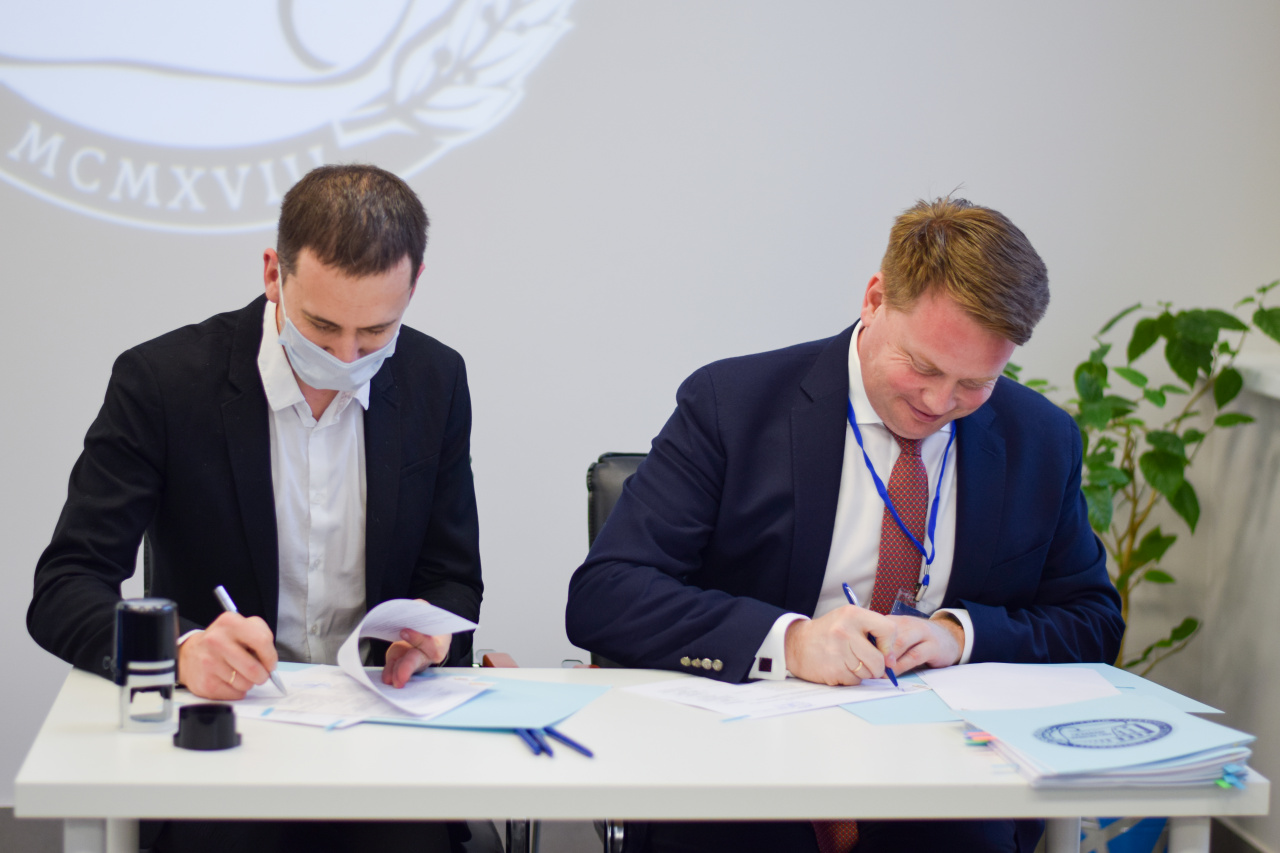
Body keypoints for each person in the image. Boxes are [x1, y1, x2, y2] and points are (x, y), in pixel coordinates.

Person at [565, 197, 1124, 853]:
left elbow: (1092, 618)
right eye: (923, 366)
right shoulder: (732, 405)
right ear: (875, 299)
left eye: (974, 383)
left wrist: (958, 634)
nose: (940, 402)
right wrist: (792, 641)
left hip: (944, 785)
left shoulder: (1041, 439)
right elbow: (607, 594)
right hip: (743, 771)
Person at [28, 164, 485, 853]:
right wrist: (182, 650)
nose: (347, 356)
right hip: (222, 738)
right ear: (274, 273)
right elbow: (66, 587)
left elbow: (453, 576)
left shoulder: (435, 379)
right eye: (322, 327)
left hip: (381, 741)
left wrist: (430, 640)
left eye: (376, 331)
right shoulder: (163, 382)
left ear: (414, 284)